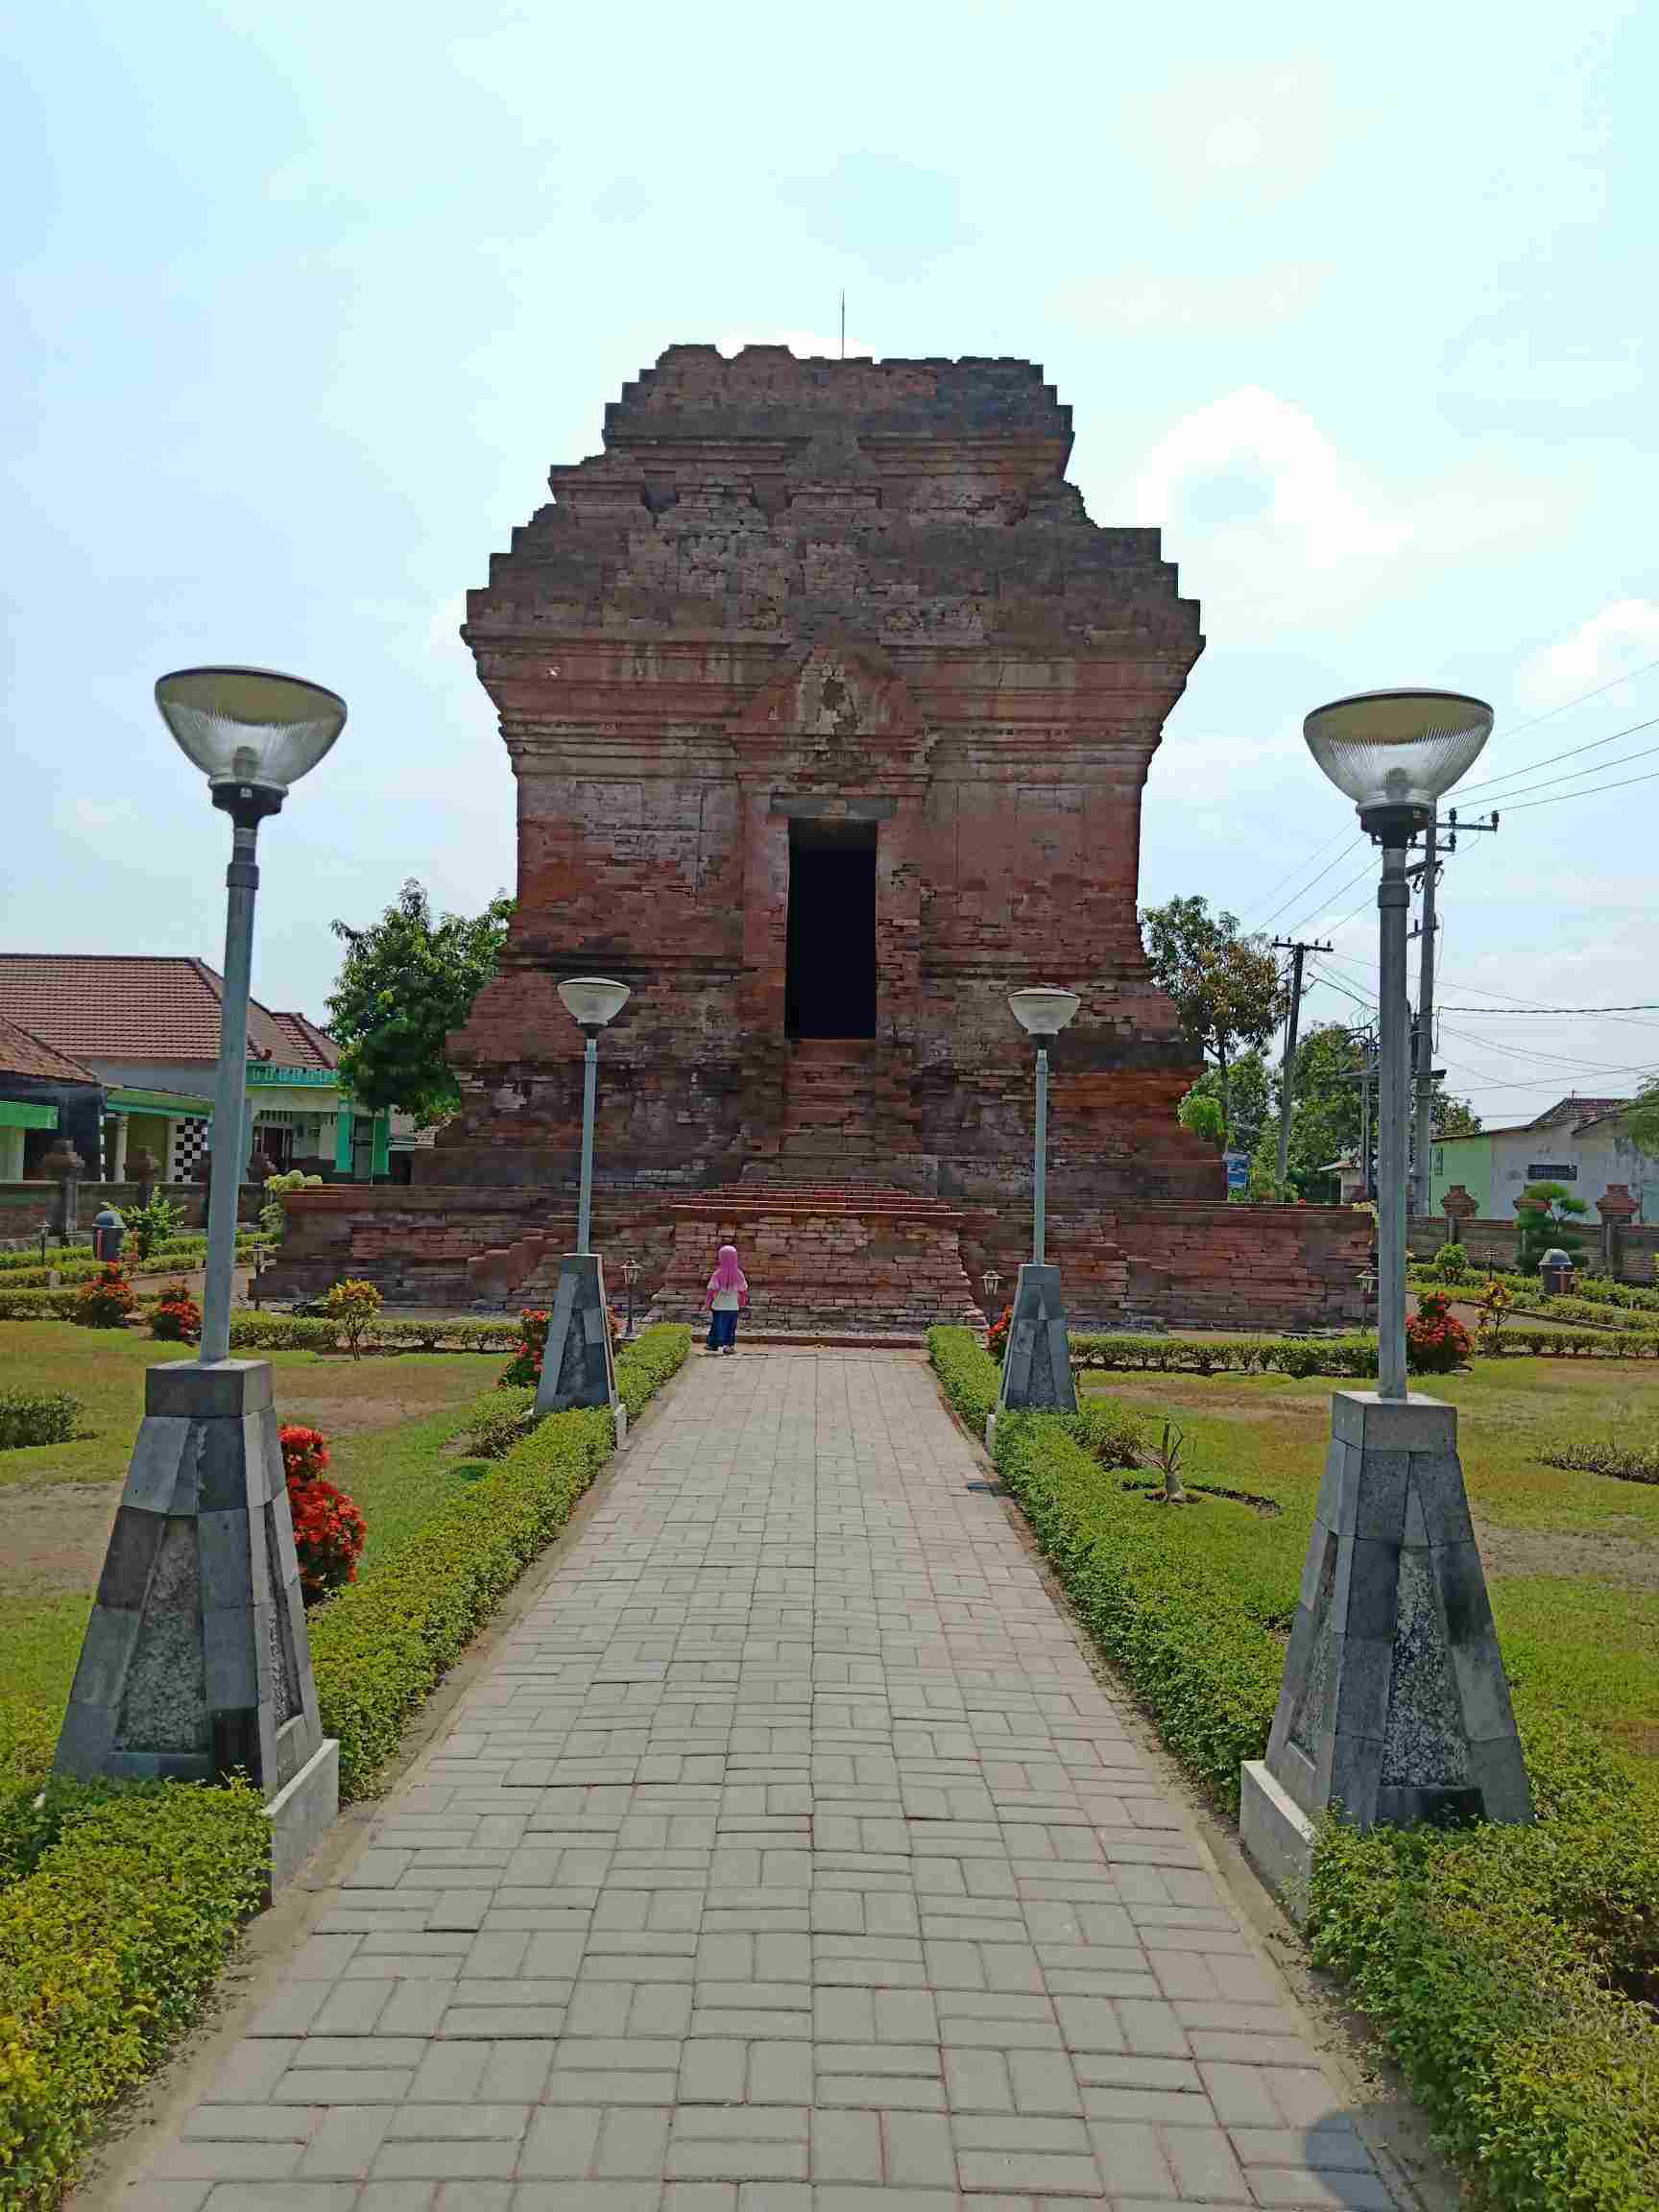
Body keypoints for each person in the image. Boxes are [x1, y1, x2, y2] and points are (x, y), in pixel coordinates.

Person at [703, 1242, 748, 1355]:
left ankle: (713, 1345)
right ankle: (729, 1347)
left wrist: (707, 1304)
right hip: (733, 1306)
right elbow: (743, 1291)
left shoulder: (718, 1273)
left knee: (716, 1326)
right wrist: (742, 1302)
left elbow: (711, 1290)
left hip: (718, 1306)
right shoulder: (739, 1274)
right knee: (731, 1328)